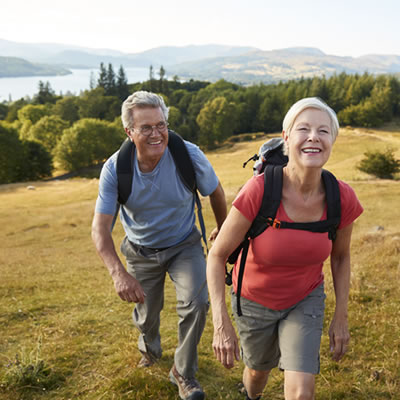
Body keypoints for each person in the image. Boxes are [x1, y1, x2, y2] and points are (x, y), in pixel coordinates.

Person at [206, 97, 363, 400]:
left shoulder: (341, 197)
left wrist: (341, 316)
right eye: (303, 129)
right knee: (257, 373)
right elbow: (217, 255)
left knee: (302, 391)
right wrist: (220, 322)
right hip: (253, 300)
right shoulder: (260, 190)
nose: (314, 137)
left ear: (332, 141)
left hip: (305, 298)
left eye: (323, 131)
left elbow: (341, 257)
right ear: (287, 139)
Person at [92, 91, 227, 400]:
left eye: (161, 125)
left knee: (197, 302)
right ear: (129, 132)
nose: (156, 134)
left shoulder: (188, 154)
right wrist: (118, 274)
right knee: (146, 315)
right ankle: (150, 349)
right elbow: (100, 229)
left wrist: (223, 230)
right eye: (146, 128)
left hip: (184, 244)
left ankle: (183, 371)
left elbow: (216, 192)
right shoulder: (116, 169)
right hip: (140, 250)